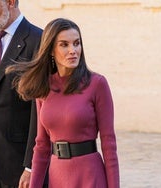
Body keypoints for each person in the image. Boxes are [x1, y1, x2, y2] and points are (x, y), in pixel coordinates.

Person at [7, 18, 120, 188]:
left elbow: (109, 144)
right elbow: (42, 145)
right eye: (64, 45)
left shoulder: (97, 84)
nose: (73, 50)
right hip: (58, 176)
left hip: (90, 176)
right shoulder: (44, 87)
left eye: (76, 43)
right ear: (51, 50)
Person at [0, 0, 42, 187]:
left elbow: (39, 110)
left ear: (10, 2)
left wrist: (31, 165)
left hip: (17, 163)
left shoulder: (39, 40)